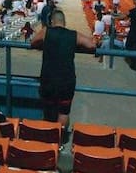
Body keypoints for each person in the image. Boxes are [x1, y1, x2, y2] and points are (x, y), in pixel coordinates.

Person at [30, 9, 96, 139]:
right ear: (64, 22)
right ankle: (59, 139)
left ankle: (48, 138)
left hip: (48, 78)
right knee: (64, 112)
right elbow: (92, 45)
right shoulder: (73, 34)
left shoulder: (46, 32)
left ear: (52, 21)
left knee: (48, 110)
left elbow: (33, 42)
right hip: (67, 79)